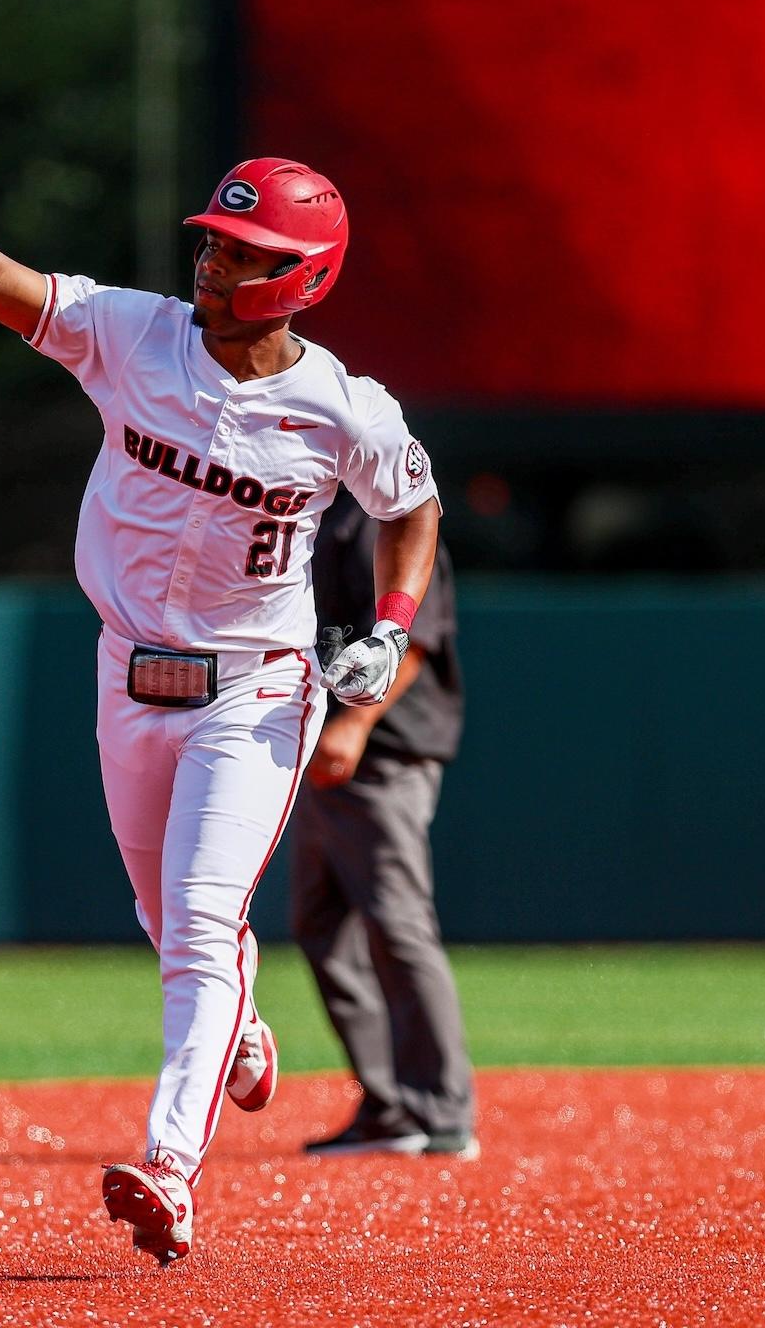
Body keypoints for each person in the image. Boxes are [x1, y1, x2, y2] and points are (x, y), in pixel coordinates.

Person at [0, 125, 442, 1266]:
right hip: (127, 675)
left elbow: (412, 506)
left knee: (198, 928)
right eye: (216, 243)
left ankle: (171, 1168)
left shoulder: (344, 409)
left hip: (258, 691)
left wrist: (387, 628)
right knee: (166, 921)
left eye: (245, 253)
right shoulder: (132, 334)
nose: (215, 266)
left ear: (303, 278)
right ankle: (238, 1030)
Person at [294, 492, 476, 1159]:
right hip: (322, 751)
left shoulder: (385, 510)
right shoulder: (310, 511)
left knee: (397, 925)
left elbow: (415, 639)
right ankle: (391, 1105)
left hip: (382, 748)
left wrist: (356, 724)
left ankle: (441, 1110)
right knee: (322, 924)